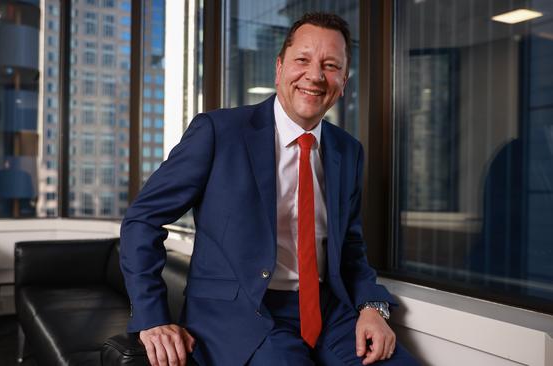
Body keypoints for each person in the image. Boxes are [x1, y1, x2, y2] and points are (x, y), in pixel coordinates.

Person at [120, 12, 419, 366]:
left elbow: (350, 248)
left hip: (328, 312)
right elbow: (142, 220)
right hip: (238, 314)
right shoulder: (218, 132)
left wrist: (373, 307)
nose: (315, 75)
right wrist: (152, 317)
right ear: (279, 69)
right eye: (302, 60)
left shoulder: (347, 151)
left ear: (343, 82)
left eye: (330, 65)